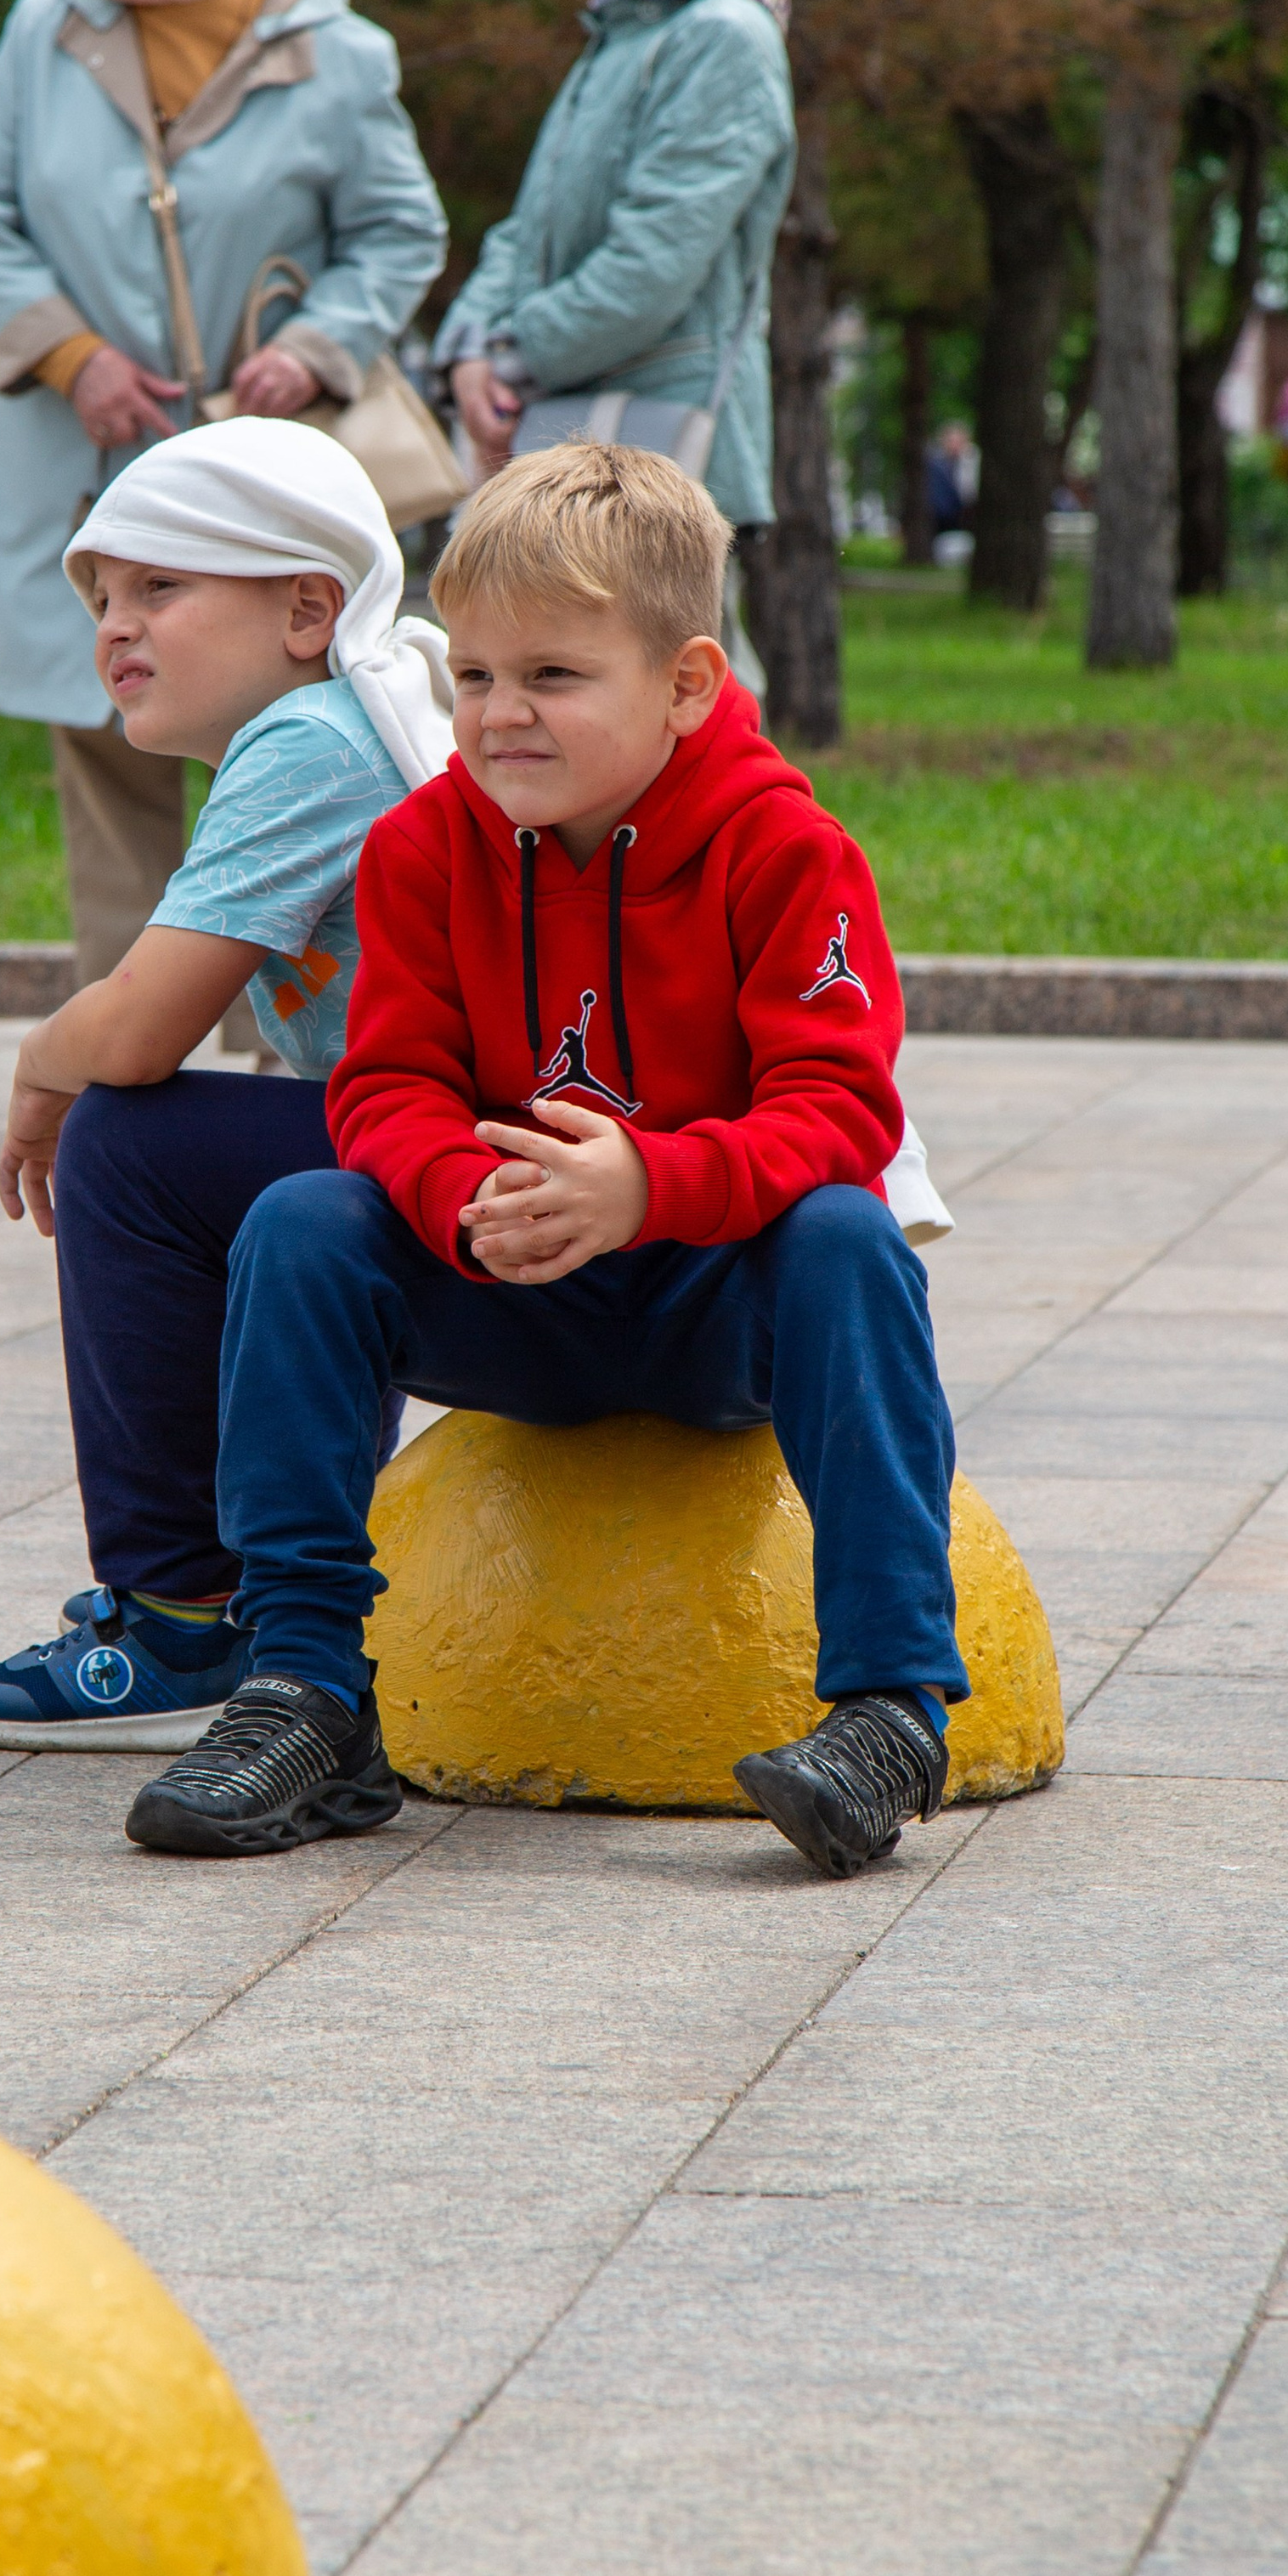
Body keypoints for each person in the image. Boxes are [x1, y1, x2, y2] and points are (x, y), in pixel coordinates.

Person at [121, 443, 966, 1876]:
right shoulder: (423, 850)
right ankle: (306, 1690)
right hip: (516, 1290)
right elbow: (384, 1079)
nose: (502, 716)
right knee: (309, 1220)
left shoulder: (785, 852)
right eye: (475, 678)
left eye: (555, 679)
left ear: (686, 683)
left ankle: (889, 1709)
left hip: (715, 1308)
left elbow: (839, 1108)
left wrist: (649, 1186)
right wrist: (463, 1198)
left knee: (846, 1237)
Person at [0, 418, 453, 1752]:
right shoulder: (344, 725)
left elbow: (141, 1033)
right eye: (102, 596)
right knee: (260, 1152)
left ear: (306, 606)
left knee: (129, 1143)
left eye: (162, 587)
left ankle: (177, 1617)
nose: (116, 627)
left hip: (491, 1186)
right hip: (492, 1158)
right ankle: (275, 1585)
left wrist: (41, 1064)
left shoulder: (314, 745)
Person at [0, 0, 447, 990]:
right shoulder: (37, 32)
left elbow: (397, 233)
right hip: (87, 473)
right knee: (110, 756)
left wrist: (317, 346)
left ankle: (312, 1056)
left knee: (303, 754)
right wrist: (72, 356)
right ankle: (134, 1085)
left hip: (268, 493)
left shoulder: (341, 53)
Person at [437, 0, 794, 602]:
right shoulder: (623, 39)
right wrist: (470, 352)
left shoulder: (720, 38)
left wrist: (508, 360)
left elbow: (652, 264)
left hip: (659, 478)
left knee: (681, 717)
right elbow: (524, 237)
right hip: (579, 456)